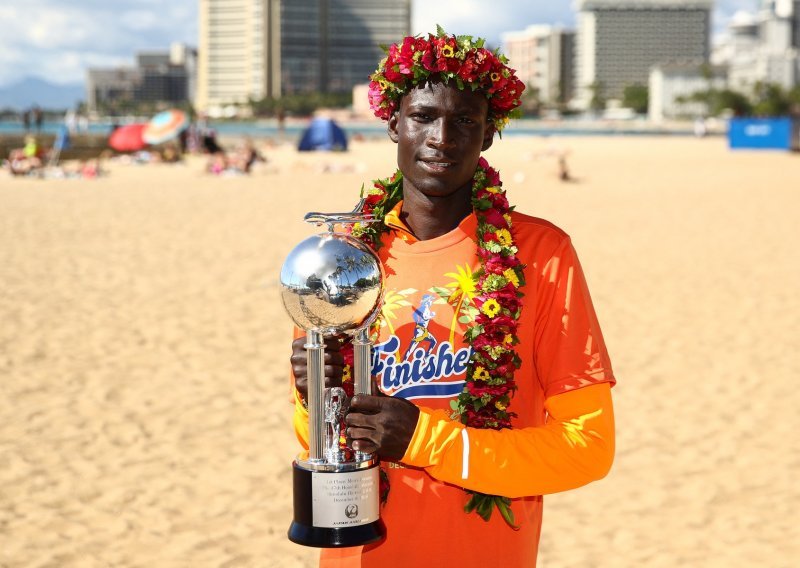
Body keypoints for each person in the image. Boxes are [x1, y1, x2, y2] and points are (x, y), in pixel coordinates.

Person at [289, 29, 616, 567]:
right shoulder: (341, 260)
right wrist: (313, 395)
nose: (442, 137)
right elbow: (311, 440)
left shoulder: (541, 253)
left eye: (464, 120)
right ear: (393, 122)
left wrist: (422, 439)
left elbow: (588, 448)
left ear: (487, 134)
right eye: (422, 116)